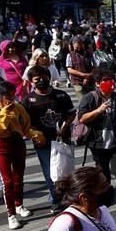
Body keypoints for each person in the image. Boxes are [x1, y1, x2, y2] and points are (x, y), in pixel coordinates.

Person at [0, 79, 46, 229]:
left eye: (12, 95)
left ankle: (19, 205)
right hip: (1, 144)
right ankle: (11, 214)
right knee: (8, 182)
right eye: (7, 96)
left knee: (19, 178)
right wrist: (5, 113)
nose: (11, 99)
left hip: (18, 143)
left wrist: (36, 134)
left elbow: (26, 127)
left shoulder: (18, 108)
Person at [78, 69, 116, 212]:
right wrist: (99, 110)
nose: (110, 84)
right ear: (98, 83)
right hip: (97, 142)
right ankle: (106, 198)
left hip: (115, 141)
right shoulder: (90, 98)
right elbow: (82, 118)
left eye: (112, 80)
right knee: (103, 173)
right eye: (105, 80)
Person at [23, 65, 76, 212]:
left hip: (62, 138)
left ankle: (68, 196)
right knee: (50, 172)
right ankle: (56, 200)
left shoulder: (60, 95)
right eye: (37, 79)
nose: (41, 81)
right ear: (31, 81)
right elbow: (25, 122)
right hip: (43, 142)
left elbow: (71, 113)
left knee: (66, 170)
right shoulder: (28, 100)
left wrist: (65, 125)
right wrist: (34, 134)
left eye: (44, 77)